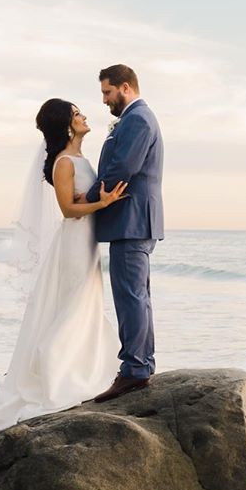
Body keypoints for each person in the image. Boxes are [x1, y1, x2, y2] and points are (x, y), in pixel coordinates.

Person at [0, 99, 128, 438]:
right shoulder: (64, 162)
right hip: (74, 243)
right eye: (77, 114)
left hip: (86, 242)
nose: (84, 116)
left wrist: (95, 201)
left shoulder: (78, 159)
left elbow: (78, 200)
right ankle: (61, 372)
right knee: (74, 304)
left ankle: (82, 366)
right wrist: (105, 202)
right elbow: (68, 210)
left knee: (83, 304)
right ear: (67, 125)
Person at [84, 64, 164, 402]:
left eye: (107, 92)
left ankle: (134, 370)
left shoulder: (138, 120)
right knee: (137, 297)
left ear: (126, 88)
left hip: (132, 220)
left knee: (131, 297)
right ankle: (140, 365)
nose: (104, 100)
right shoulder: (135, 118)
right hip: (133, 220)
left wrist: (85, 199)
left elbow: (122, 169)